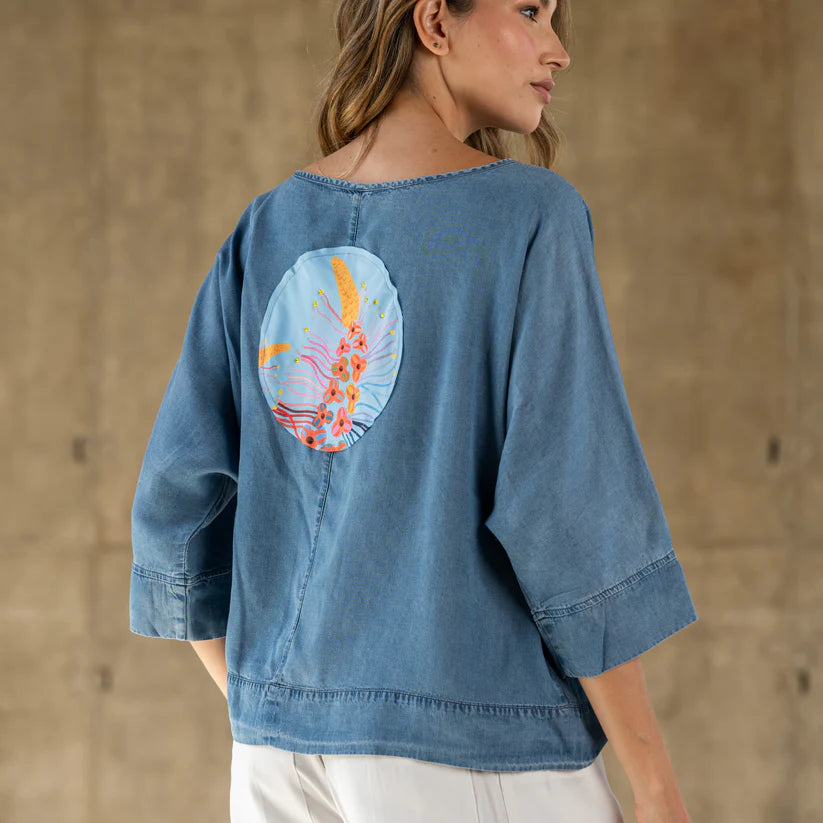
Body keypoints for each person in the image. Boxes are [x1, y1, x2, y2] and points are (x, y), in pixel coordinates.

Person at [129, 0, 700, 820]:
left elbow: (176, 507)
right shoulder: (529, 216)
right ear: (434, 22)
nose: (557, 49)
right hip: (469, 744)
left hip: (273, 757)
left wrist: (281, 704)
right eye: (529, 10)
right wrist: (654, 782)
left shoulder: (268, 226)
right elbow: (568, 515)